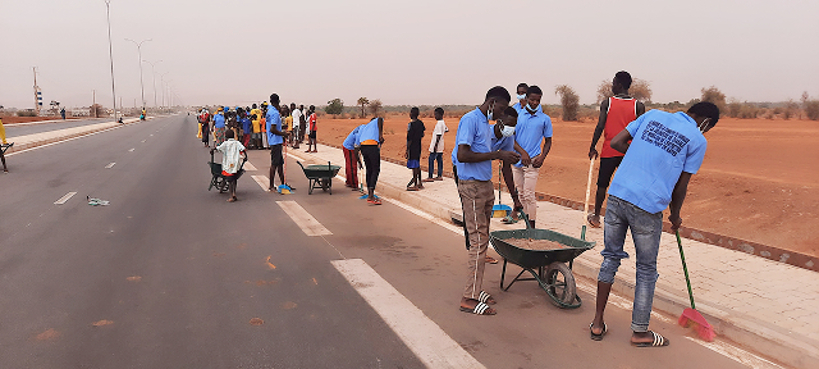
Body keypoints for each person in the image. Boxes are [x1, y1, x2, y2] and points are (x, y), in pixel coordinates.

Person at [589, 102, 719, 347]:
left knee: (610, 258)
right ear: (705, 122)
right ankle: (640, 332)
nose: (705, 132)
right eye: (708, 128)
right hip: (647, 206)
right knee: (646, 270)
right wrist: (675, 216)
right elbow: (681, 185)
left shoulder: (652, 115)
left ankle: (597, 323)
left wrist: (640, 157)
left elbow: (616, 142)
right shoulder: (697, 140)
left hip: (618, 194)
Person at [454, 86, 519, 316]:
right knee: (478, 241)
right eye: (501, 108)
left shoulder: (484, 123)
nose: (501, 114)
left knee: (482, 239)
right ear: (492, 102)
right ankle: (468, 298)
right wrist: (496, 155)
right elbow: (462, 155)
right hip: (471, 186)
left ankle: (475, 288)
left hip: (485, 185)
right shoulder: (470, 120)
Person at [452, 106, 523, 263]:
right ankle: (475, 249)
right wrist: (496, 154)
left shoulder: (508, 138)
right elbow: (466, 154)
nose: (511, 128)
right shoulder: (486, 133)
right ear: (499, 122)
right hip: (463, 168)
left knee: (484, 214)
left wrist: (515, 198)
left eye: (514, 125)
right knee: (470, 211)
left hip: (481, 171)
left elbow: (506, 168)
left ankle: (480, 249)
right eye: (508, 124)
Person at [587, 71, 646, 228]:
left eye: (613, 83)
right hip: (628, 152)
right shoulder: (638, 106)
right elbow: (641, 132)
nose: (612, 86)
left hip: (609, 150)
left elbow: (600, 126)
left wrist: (593, 146)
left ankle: (597, 216)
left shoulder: (607, 103)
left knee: (602, 184)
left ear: (619, 84)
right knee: (630, 185)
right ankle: (630, 218)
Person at [511, 85, 552, 228]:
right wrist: (522, 153)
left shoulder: (544, 119)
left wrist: (542, 157)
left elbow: (548, 141)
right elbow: (511, 138)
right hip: (517, 160)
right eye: (532, 100)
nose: (534, 103)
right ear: (526, 98)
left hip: (533, 162)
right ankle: (526, 222)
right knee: (521, 194)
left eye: (538, 100)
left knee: (529, 194)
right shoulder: (518, 116)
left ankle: (532, 227)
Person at [355, 115, 385, 205]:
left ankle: (369, 192)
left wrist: (359, 161)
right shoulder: (377, 121)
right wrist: (380, 135)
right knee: (376, 169)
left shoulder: (364, 128)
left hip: (363, 147)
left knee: (369, 169)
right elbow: (380, 119)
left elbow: (356, 146)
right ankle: (371, 196)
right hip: (372, 146)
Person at [212, 129, 247, 202]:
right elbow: (243, 149)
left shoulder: (225, 143)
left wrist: (213, 149)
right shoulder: (237, 143)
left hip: (228, 164)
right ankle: (234, 193)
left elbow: (218, 148)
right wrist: (245, 156)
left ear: (226, 136)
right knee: (234, 179)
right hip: (236, 164)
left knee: (230, 180)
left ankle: (231, 196)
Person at [266, 94, 290, 192]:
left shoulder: (269, 111)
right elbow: (272, 129)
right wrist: (283, 134)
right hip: (275, 141)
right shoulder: (275, 113)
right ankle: (271, 186)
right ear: (278, 101)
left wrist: (282, 128)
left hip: (274, 140)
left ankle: (283, 184)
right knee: (274, 164)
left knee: (280, 164)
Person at [423, 107, 448, 182]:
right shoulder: (443, 123)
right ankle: (439, 175)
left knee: (431, 159)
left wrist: (435, 146)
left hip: (436, 145)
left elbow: (439, 135)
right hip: (441, 145)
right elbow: (446, 129)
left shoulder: (439, 124)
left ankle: (430, 176)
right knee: (439, 160)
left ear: (440, 115)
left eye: (436, 114)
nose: (435, 116)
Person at [405, 107, 426, 191]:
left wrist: (407, 149)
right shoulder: (420, 123)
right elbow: (422, 134)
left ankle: (415, 184)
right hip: (418, 145)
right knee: (417, 164)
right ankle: (420, 182)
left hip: (412, 147)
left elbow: (409, 138)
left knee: (414, 166)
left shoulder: (411, 125)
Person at [342, 124, 363, 189]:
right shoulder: (359, 135)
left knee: (349, 165)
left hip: (347, 145)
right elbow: (356, 149)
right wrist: (359, 162)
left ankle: (349, 182)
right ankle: (354, 184)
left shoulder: (363, 127)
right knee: (352, 166)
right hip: (349, 148)